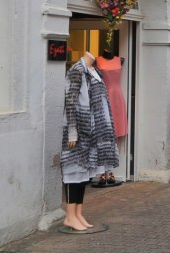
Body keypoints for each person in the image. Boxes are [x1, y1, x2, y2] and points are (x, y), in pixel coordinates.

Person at [60, 52, 118, 233]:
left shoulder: (94, 71)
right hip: (79, 131)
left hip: (92, 132)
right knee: (73, 172)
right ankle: (70, 216)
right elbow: (70, 101)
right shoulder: (77, 71)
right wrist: (72, 132)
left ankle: (78, 213)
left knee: (84, 174)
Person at [95, 49, 126, 185]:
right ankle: (102, 171)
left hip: (117, 97)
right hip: (103, 96)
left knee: (116, 133)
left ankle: (112, 169)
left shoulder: (120, 60)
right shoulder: (98, 60)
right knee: (103, 133)